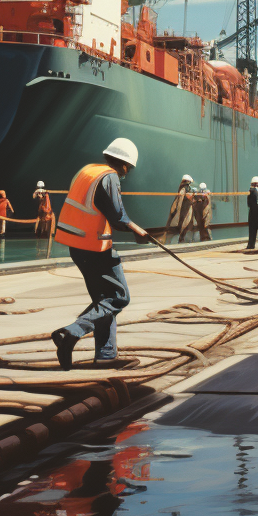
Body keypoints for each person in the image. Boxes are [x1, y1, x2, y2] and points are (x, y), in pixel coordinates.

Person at [51, 138, 149, 369]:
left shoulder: (87, 171)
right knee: (119, 297)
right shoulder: (109, 177)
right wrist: (138, 231)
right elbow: (118, 217)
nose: (127, 173)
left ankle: (106, 356)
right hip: (95, 248)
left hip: (76, 246)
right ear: (125, 165)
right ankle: (71, 332)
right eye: (129, 169)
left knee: (103, 302)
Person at [165, 174, 194, 243]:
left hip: (181, 211)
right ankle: (180, 240)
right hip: (184, 211)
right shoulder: (185, 189)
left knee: (180, 225)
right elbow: (188, 198)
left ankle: (179, 239)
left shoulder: (181, 189)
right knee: (183, 225)